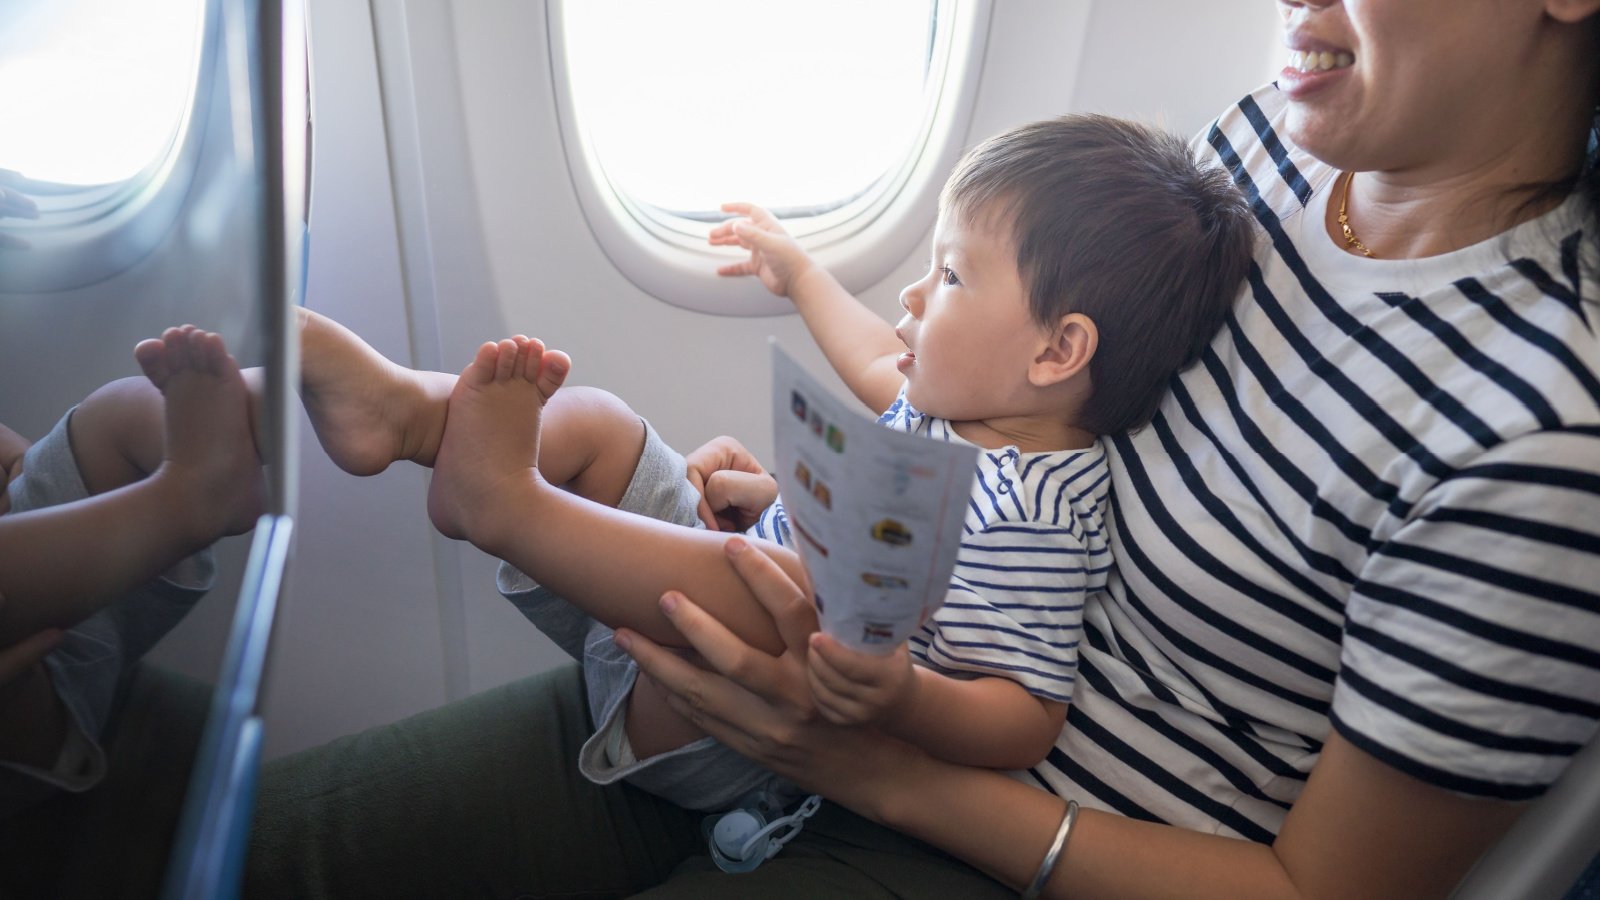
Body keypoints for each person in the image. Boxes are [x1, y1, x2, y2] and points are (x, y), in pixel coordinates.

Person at [245, 0, 1600, 897]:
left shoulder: (1541, 434)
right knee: (273, 848)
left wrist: (884, 768)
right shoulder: (1267, 154)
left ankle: (494, 495)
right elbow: (1064, 438)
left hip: (1014, 839)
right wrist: (852, 510)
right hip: (862, 671)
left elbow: (1321, 895)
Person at [420, 113, 1252, 813]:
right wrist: (799, 272)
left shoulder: (1032, 511)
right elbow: (867, 351)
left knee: (793, 586)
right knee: (601, 424)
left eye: (952, 275)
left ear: (1057, 350)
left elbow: (1029, 712)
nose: (913, 297)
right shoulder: (956, 406)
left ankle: (500, 504)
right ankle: (412, 419)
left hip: (733, 723)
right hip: (650, 624)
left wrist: (906, 697)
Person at [0, 325, 265, 896]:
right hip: (22, 706)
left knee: (113, 412)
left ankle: (264, 417)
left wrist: (25, 467)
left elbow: (14, 456)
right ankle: (194, 495)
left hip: (63, 572)